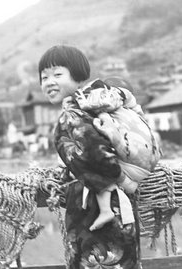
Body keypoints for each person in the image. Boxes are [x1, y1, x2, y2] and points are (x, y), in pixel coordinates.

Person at [38, 45, 160, 231]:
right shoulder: (102, 100)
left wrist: (121, 181)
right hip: (130, 188)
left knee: (102, 258)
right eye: (44, 77)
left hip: (107, 201)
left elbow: (94, 151)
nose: (48, 82)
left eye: (57, 75)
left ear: (78, 76)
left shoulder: (74, 114)